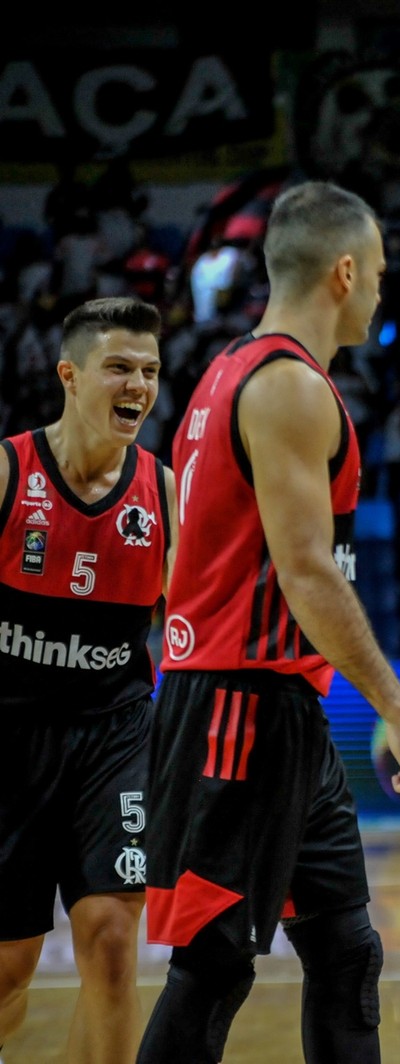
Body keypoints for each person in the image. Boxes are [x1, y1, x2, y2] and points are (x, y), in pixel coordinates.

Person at [136, 181, 400, 1064]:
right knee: (213, 969)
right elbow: (308, 573)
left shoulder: (232, 372)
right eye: (381, 274)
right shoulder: (285, 390)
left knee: (347, 950)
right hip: (238, 708)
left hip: (278, 710)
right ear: (345, 272)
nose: (385, 292)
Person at [0, 297, 174, 1064]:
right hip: (8, 740)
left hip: (116, 733)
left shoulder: (166, 494)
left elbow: (193, 628)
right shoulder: (7, 474)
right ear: (70, 375)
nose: (138, 384)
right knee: (8, 965)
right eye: (120, 368)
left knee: (110, 937)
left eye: (150, 371)